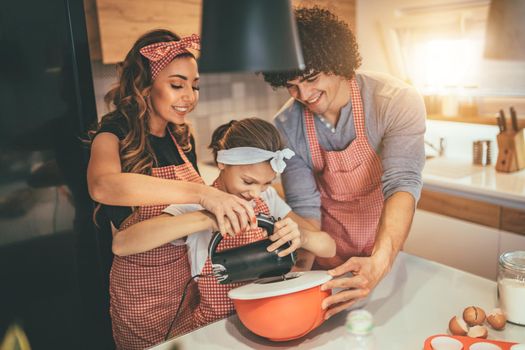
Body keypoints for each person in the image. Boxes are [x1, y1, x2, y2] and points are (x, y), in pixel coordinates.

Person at [86, 30, 256, 349]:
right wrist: (202, 195)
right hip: (141, 296)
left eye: (194, 86)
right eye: (177, 85)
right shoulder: (112, 135)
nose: (189, 97)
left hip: (187, 285)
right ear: (145, 86)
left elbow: (191, 216)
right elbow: (103, 186)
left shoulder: (181, 138)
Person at [261, 7, 426, 319]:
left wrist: (380, 261)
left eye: (311, 79)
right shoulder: (286, 125)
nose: (303, 94)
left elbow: (402, 183)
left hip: (383, 246)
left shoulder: (394, 101)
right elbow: (305, 209)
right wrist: (297, 281)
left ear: (338, 64)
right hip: (326, 251)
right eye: (292, 85)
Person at [112, 118, 336, 335]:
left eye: (266, 182)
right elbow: (123, 244)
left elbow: (329, 247)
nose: (255, 193)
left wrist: (302, 238)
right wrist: (208, 218)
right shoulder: (194, 205)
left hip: (265, 317)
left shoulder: (266, 198)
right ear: (222, 163)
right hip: (216, 328)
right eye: (248, 182)